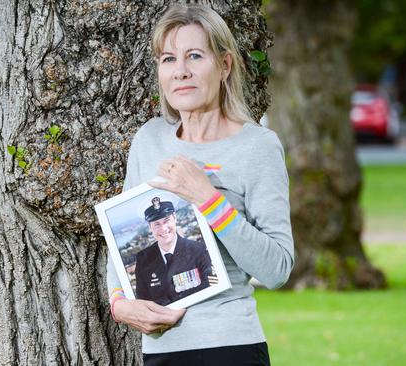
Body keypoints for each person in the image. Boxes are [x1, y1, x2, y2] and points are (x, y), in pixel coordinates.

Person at [105, 4, 294, 365]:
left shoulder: (257, 146)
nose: (181, 72)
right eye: (168, 59)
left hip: (230, 346)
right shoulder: (149, 140)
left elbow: (277, 269)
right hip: (161, 350)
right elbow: (118, 246)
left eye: (194, 56)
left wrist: (207, 198)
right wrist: (119, 303)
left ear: (224, 65)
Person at [135, 196, 212, 306]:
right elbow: (143, 301)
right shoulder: (143, 258)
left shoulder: (197, 250)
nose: (163, 228)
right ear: (150, 227)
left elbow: (210, 287)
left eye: (166, 220)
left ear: (175, 217)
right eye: (157, 224)